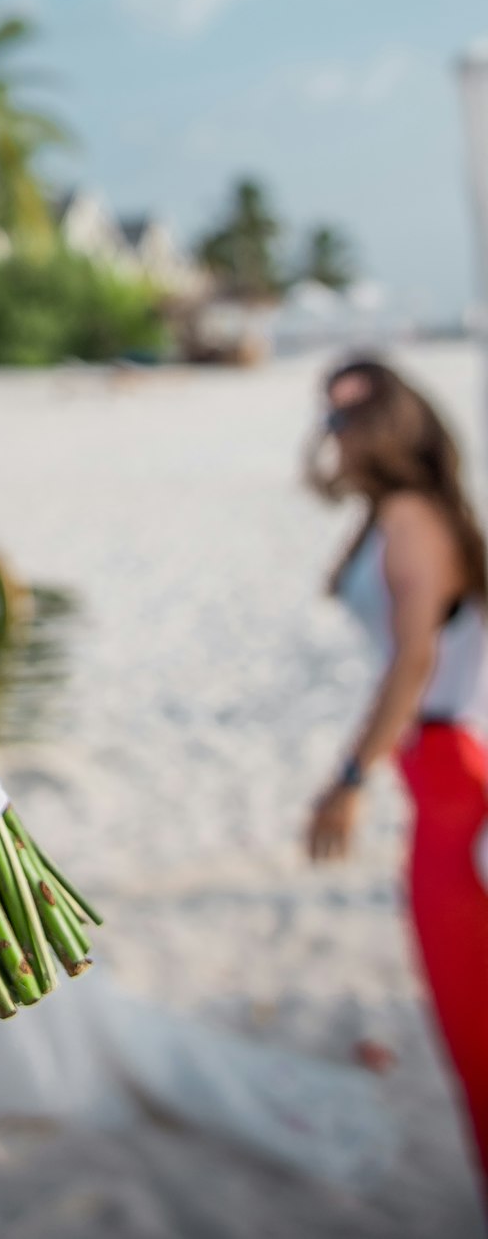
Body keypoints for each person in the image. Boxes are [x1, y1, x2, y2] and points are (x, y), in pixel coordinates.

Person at [306, 356, 488, 1191]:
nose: (336, 430)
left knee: (473, 1016)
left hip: (451, 769)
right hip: (436, 768)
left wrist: (350, 776)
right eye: (331, 413)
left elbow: (414, 660)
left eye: (353, 414)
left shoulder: (413, 514)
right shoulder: (395, 511)